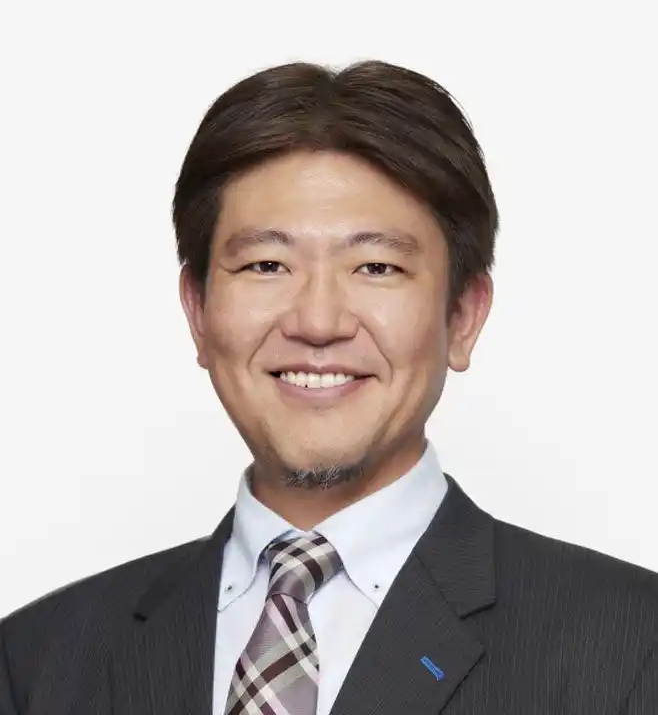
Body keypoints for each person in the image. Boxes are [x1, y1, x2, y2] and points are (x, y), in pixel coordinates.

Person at [1, 60, 656, 715]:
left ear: (462, 316)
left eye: (376, 267)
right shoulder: (37, 661)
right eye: (267, 264)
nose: (318, 322)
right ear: (197, 311)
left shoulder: (631, 648)